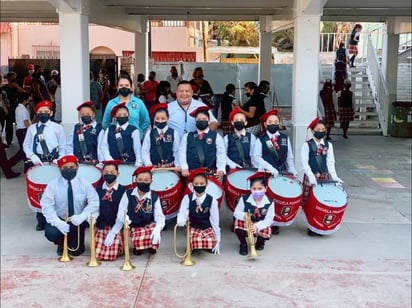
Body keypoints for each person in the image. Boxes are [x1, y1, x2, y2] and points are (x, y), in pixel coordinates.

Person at [41, 155, 100, 256]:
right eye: (65, 168)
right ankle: (61, 243)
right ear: (60, 169)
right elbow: (46, 205)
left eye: (72, 167)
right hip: (60, 219)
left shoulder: (84, 183)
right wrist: (57, 222)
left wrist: (82, 216)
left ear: (77, 168)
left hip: (77, 220)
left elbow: (94, 202)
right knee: (51, 233)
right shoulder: (53, 184)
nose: (69, 170)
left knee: (76, 251)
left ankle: (70, 241)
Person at [23, 100, 66, 231]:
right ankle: (41, 218)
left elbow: (63, 146)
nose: (43, 114)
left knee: (54, 191)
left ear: (51, 113)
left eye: (46, 112)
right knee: (39, 191)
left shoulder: (57, 128)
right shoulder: (32, 129)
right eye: (40, 112)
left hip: (54, 162)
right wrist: (32, 156)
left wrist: (59, 160)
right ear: (36, 113)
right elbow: (26, 145)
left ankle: (55, 217)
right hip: (38, 163)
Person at [301, 117, 343, 236]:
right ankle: (311, 226)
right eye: (318, 129)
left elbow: (330, 163)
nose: (321, 131)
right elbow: (305, 164)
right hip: (311, 178)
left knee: (322, 202)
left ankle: (319, 225)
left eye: (323, 129)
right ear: (313, 131)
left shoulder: (328, 145)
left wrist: (335, 177)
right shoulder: (307, 145)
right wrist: (311, 177)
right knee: (310, 202)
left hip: (324, 178)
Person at [120, 166, 165, 255]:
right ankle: (138, 247)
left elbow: (159, 216)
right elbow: (122, 210)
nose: (143, 182)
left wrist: (158, 228)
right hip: (134, 225)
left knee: (154, 233)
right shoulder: (128, 194)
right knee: (137, 237)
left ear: (151, 181)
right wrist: (125, 219)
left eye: (146, 180)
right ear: (135, 180)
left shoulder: (154, 197)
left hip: (148, 224)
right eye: (140, 180)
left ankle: (152, 246)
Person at [177, 168, 221, 255]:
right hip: (193, 227)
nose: (199, 186)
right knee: (194, 241)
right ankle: (193, 245)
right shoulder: (187, 198)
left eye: (202, 183)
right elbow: (182, 211)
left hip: (206, 228)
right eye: (196, 184)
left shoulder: (212, 200)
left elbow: (215, 220)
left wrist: (218, 239)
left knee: (211, 242)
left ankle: (203, 245)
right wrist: (181, 218)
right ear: (192, 185)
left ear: (206, 184)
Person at [179, 106, 226, 181]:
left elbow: (221, 154)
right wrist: (184, 167)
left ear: (209, 120)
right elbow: (182, 153)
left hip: (210, 174)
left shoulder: (216, 136)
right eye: (199, 119)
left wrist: (221, 169)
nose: (201, 121)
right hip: (192, 174)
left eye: (204, 119)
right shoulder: (187, 136)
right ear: (195, 121)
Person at [233, 171, 275, 255]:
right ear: (250, 189)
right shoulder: (244, 199)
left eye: (260, 189)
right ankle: (243, 243)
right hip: (247, 223)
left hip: (260, 224)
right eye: (254, 189)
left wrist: (257, 226)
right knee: (237, 223)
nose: (257, 191)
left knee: (267, 229)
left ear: (265, 188)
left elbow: (269, 220)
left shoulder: (270, 202)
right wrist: (245, 216)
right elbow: (236, 213)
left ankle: (260, 241)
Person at [94, 160, 127, 261]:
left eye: (112, 172)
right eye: (106, 172)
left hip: (116, 226)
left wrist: (114, 232)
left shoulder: (123, 191)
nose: (109, 174)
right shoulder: (97, 190)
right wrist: (93, 218)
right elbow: (94, 207)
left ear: (118, 174)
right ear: (102, 173)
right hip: (102, 225)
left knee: (111, 255)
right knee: (99, 254)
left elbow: (123, 212)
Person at [102, 74, 150, 139]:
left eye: (126, 85)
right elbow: (105, 123)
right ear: (117, 87)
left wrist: (139, 131)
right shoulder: (111, 103)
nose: (124, 87)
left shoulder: (139, 102)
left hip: (135, 140)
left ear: (131, 87)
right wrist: (112, 133)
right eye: (121, 85)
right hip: (118, 140)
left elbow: (146, 121)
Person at [141, 103, 180, 168]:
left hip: (170, 167)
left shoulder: (173, 133)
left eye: (163, 118)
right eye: (157, 118)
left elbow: (176, 151)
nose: (160, 121)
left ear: (167, 118)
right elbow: (145, 151)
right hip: (153, 168)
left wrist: (177, 165)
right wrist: (148, 164)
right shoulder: (149, 133)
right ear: (154, 119)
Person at [2, 72, 25, 145]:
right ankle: (9, 141)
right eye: (12, 78)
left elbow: (23, 93)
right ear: (8, 79)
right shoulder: (4, 88)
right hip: (8, 108)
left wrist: (17, 86)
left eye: (15, 78)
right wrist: (5, 108)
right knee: (9, 125)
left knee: (19, 124)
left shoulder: (16, 87)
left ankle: (21, 139)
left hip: (16, 108)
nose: (14, 80)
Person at [15, 92, 31, 171]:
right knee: (24, 150)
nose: (29, 100)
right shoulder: (23, 109)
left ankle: (26, 166)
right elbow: (26, 123)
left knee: (23, 149)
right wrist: (31, 132)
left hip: (20, 131)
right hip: (23, 131)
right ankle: (9, 163)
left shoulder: (18, 108)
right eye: (28, 98)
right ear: (25, 100)